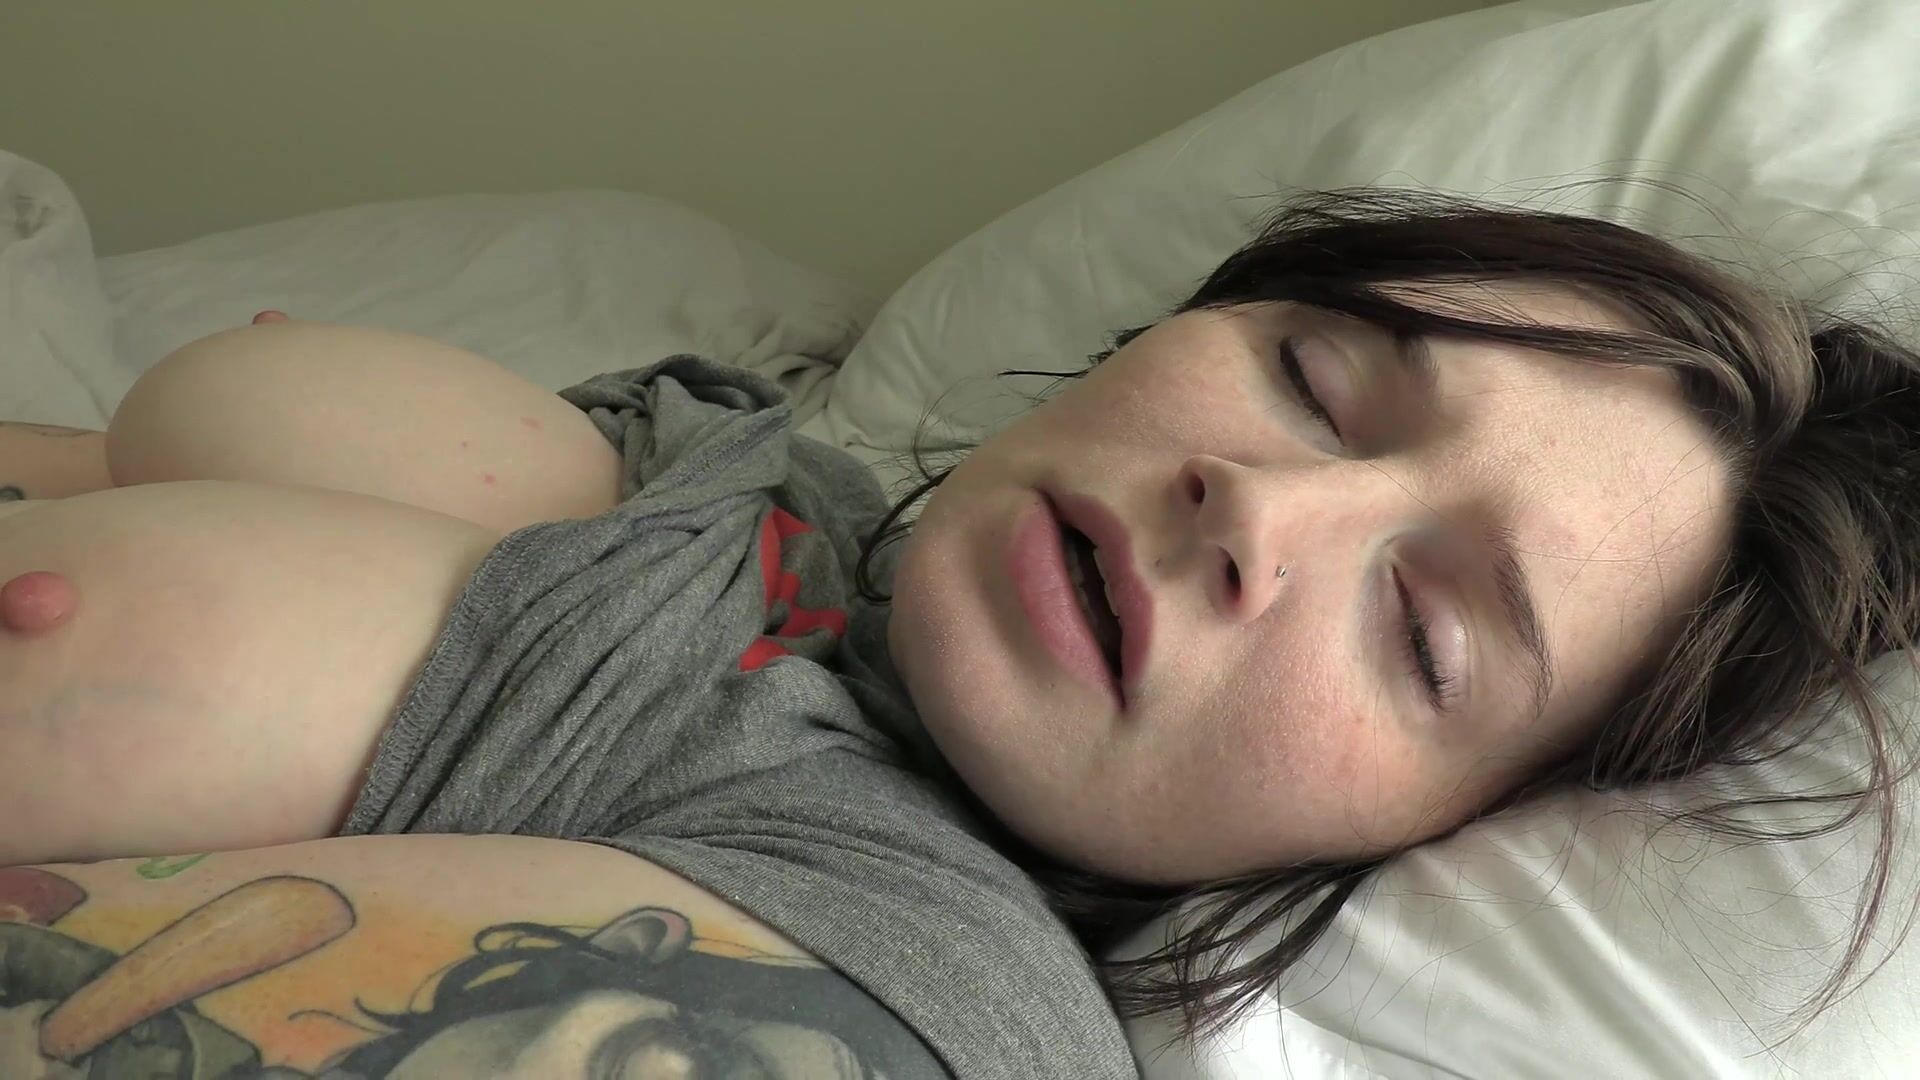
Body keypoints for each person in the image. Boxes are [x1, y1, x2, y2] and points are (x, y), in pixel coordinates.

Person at [1, 187, 1915, 1076]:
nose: (1260, 510)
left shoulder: (902, 984)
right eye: (1318, 381)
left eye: (1425, 637)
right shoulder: (748, 476)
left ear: (1461, 835)